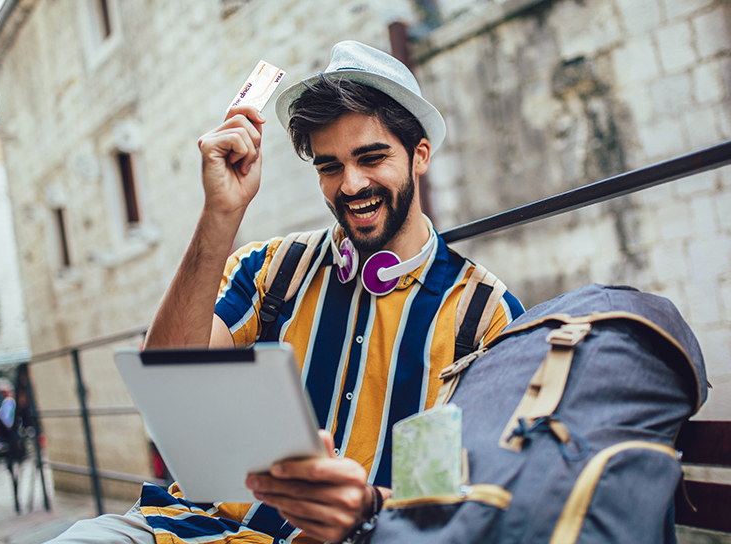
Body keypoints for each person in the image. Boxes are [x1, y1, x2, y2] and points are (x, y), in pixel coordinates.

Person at [49, 41, 524, 544]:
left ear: (419, 155)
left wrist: (366, 508)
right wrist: (221, 214)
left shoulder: (484, 313)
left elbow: (484, 487)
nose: (351, 184)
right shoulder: (272, 268)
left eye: (372, 157)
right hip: (201, 528)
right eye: (330, 166)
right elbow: (169, 369)